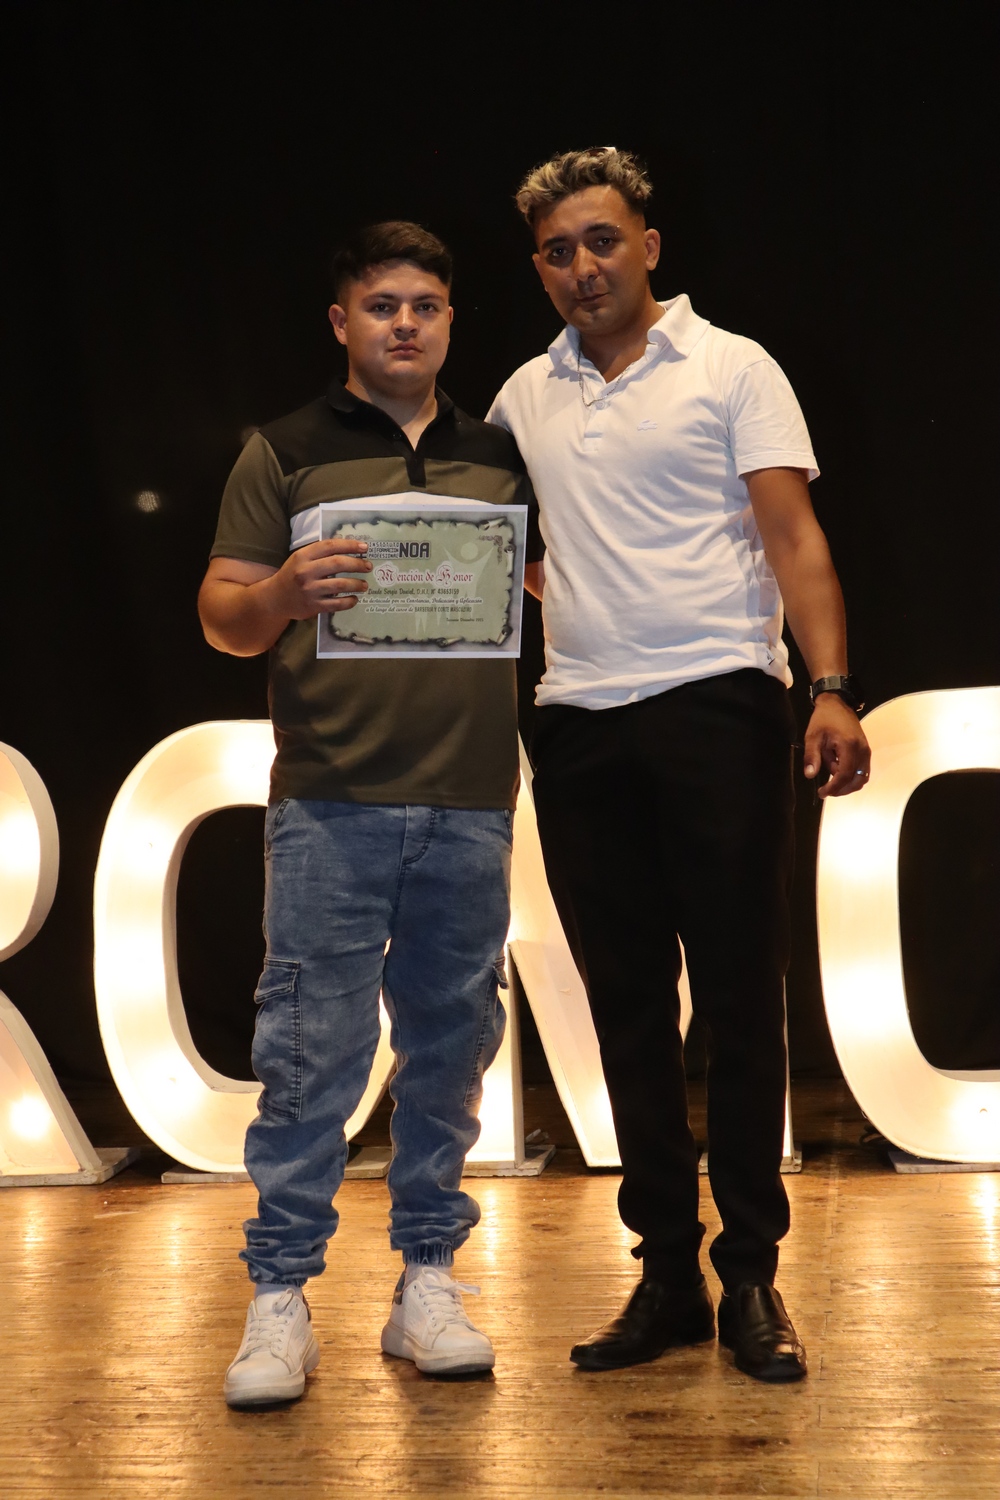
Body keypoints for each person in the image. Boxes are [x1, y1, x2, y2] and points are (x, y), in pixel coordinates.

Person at [488, 148, 871, 1384]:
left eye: (601, 241)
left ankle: (750, 1273)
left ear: (647, 245)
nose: (582, 266)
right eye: (557, 251)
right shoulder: (519, 397)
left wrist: (828, 687)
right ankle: (665, 1273)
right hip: (579, 720)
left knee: (742, 1000)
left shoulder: (731, 365)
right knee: (625, 1007)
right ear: (539, 268)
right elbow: (503, 551)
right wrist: (579, 594)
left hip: (718, 703)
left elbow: (792, 534)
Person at [198, 221, 540, 1407]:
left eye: (425, 306)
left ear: (450, 321)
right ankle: (280, 1294)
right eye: (382, 305)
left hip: (470, 803)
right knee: (308, 1057)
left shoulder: (500, 455)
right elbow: (222, 616)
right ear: (341, 322)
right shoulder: (284, 449)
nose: (405, 324)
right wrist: (281, 592)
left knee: (451, 1054)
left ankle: (427, 1283)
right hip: (329, 802)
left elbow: (551, 588)